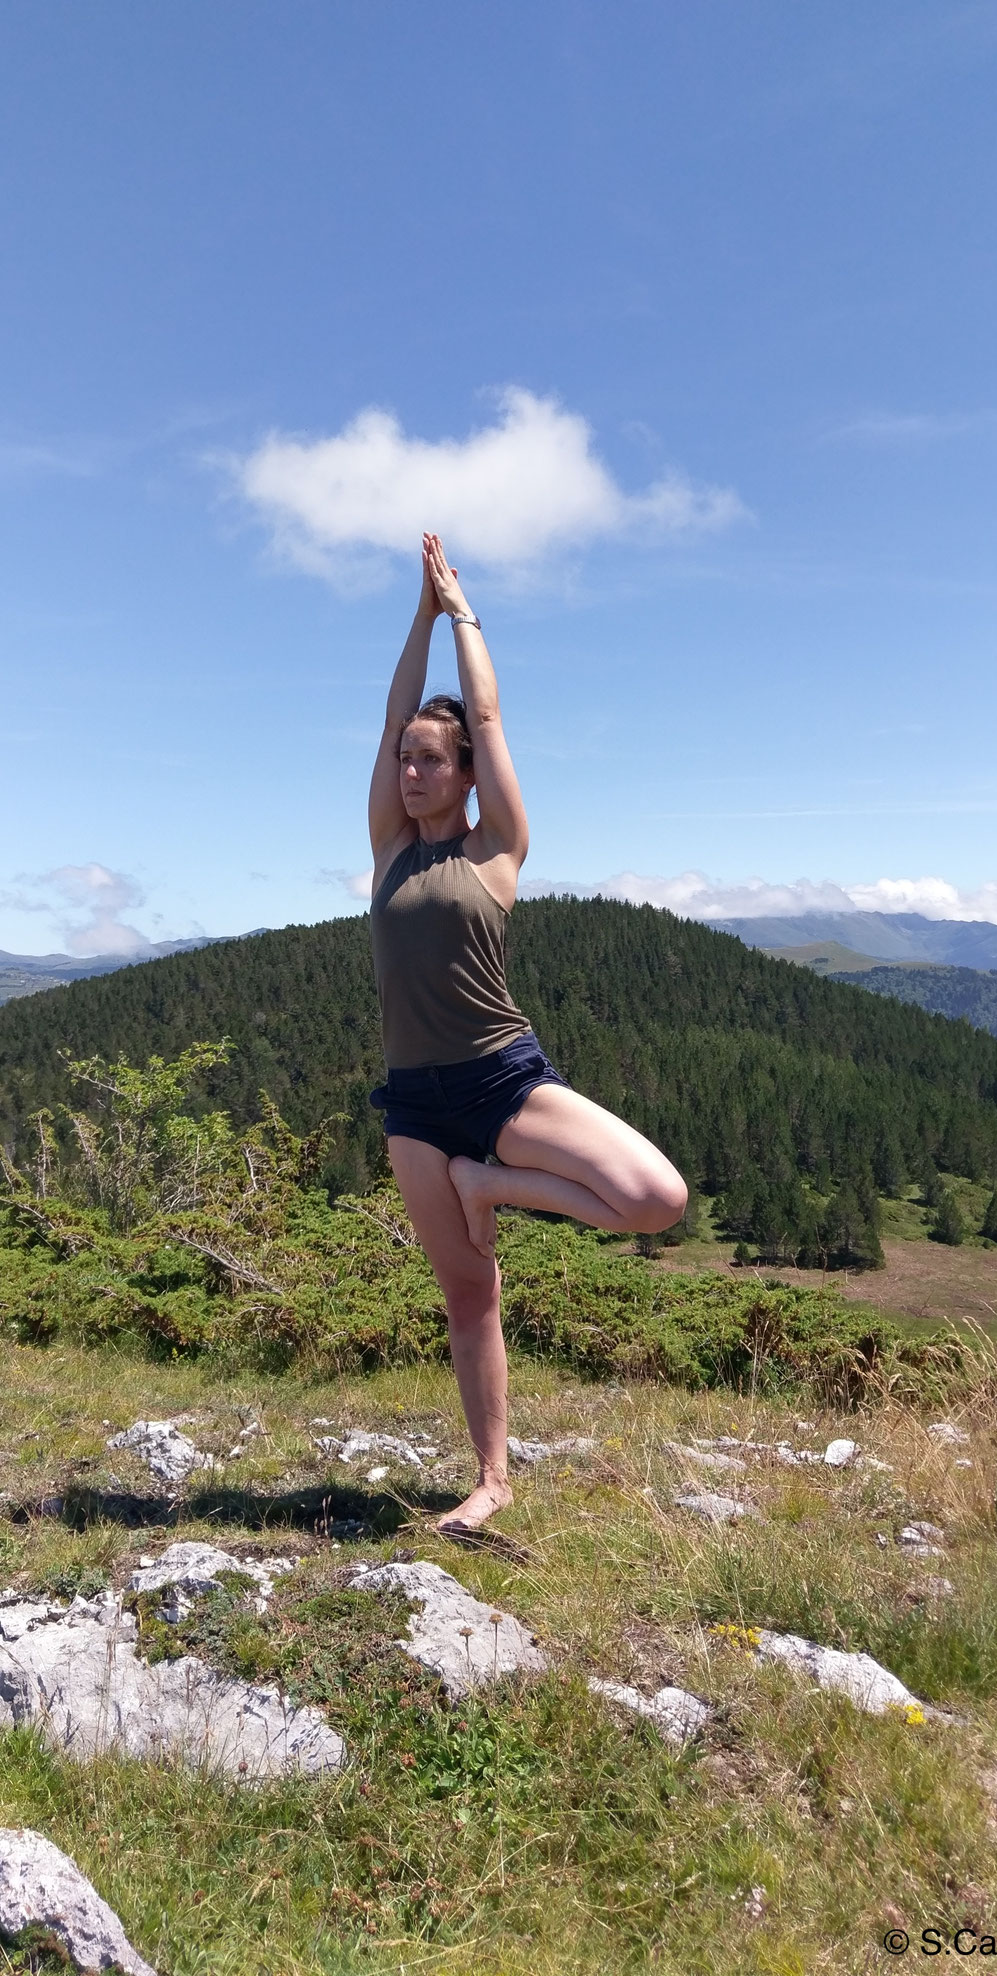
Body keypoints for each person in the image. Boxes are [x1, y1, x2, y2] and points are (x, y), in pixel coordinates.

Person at [368, 533, 689, 1531]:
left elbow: (490, 714)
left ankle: (491, 1183)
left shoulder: (496, 850)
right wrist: (416, 617)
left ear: (467, 774)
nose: (412, 769)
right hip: (415, 1105)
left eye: (431, 758)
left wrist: (462, 614)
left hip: (503, 1082)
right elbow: (391, 713)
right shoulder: (388, 848)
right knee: (470, 1294)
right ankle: (491, 1479)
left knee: (656, 1198)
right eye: (406, 758)